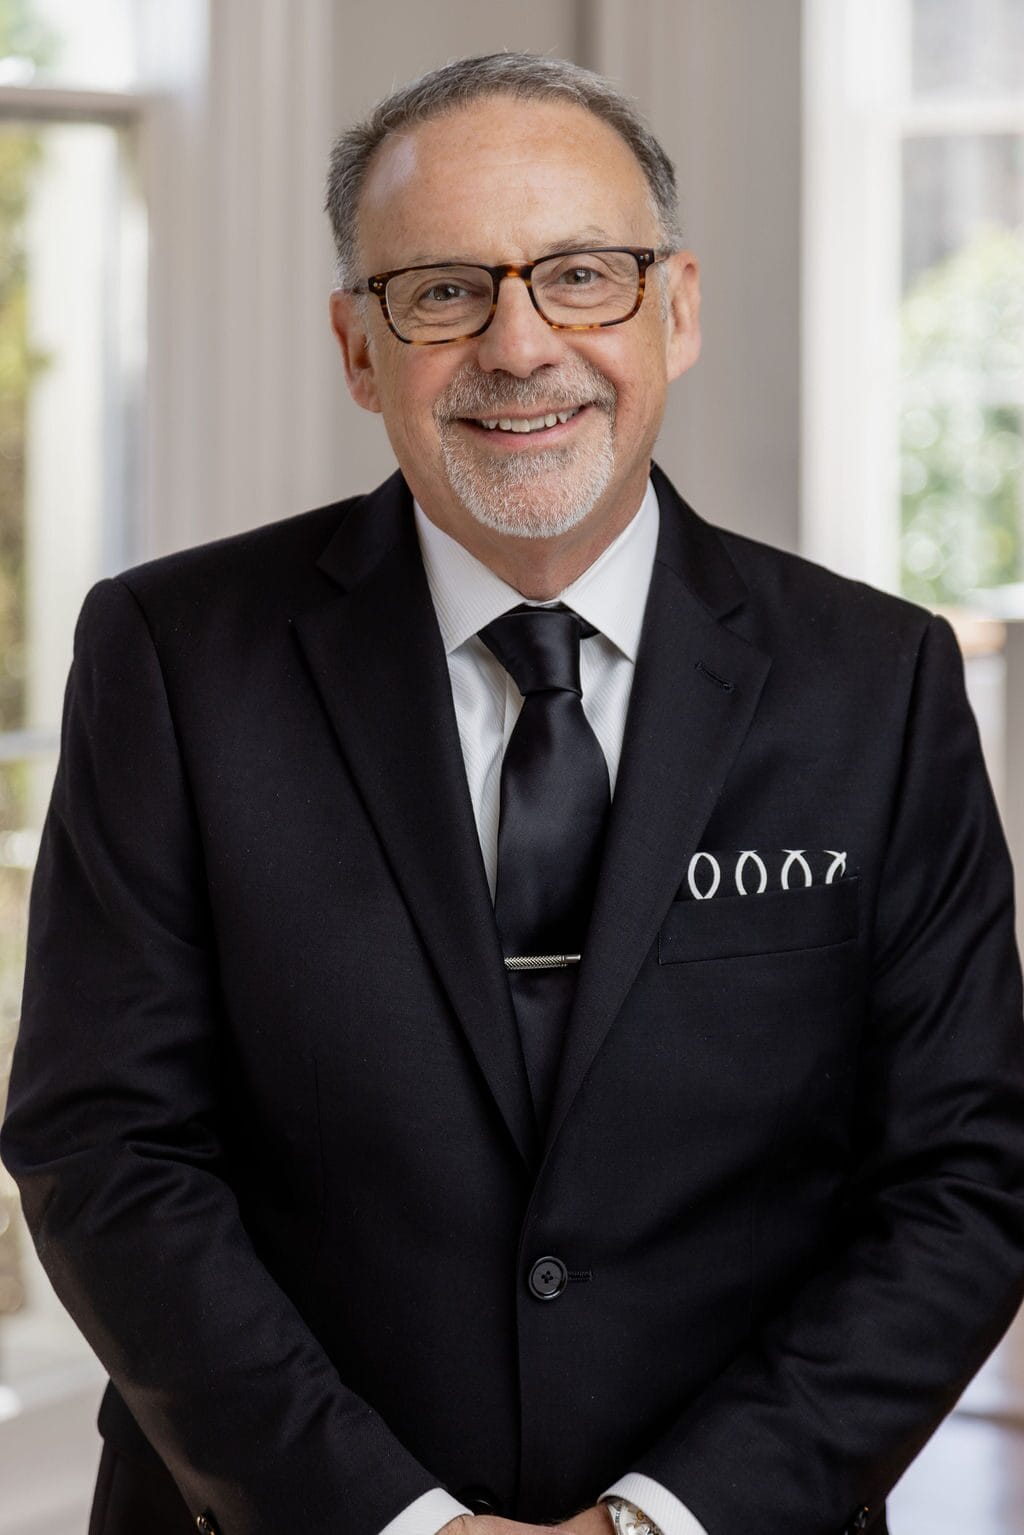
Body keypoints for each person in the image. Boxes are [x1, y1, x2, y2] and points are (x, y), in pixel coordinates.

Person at [3, 50, 1024, 1535]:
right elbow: (108, 1150)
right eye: (444, 291)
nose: (520, 345)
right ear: (360, 348)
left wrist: (670, 1519)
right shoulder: (171, 657)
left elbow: (966, 1176)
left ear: (675, 311)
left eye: (582, 277)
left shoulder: (881, 682)